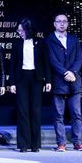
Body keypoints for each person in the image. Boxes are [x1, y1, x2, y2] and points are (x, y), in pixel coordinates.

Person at [46, 13, 82, 152]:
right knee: (58, 115)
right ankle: (61, 143)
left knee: (76, 114)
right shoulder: (49, 40)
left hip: (74, 80)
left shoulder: (74, 39)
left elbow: (79, 58)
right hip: (58, 80)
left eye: (64, 21)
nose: (62, 23)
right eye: (59, 21)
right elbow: (52, 60)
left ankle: (78, 142)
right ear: (54, 24)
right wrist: (65, 72)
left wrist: (73, 72)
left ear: (68, 23)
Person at [9, 18, 51, 152]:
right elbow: (12, 64)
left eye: (22, 30)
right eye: (18, 30)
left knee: (35, 111)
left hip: (36, 78)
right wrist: (12, 83)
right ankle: (23, 144)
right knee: (23, 111)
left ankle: (35, 145)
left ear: (28, 30)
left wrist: (48, 80)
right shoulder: (16, 43)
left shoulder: (40, 42)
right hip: (21, 78)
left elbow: (46, 62)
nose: (19, 32)